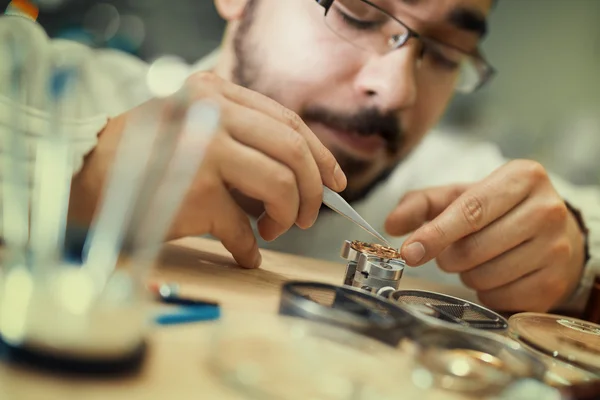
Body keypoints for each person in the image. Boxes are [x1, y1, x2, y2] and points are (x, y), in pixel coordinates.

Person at [1, 0, 599, 314]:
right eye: (357, 13)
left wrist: (575, 258)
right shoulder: (39, 87)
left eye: (446, 53)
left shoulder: (442, 192)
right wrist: (72, 172)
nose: (396, 92)